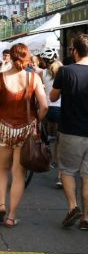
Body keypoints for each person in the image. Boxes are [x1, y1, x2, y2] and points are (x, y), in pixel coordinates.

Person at [0, 43, 48, 228]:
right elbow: (44, 106)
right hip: (25, 130)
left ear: (11, 58)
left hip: (4, 129)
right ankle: (11, 217)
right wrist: (36, 121)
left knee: (2, 169)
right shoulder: (33, 78)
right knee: (18, 173)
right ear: (27, 57)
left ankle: (1, 204)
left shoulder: (0, 78)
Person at [50, 35, 88, 230]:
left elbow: (53, 96)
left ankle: (73, 206)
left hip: (71, 129)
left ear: (74, 51)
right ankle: (86, 218)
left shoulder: (65, 71)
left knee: (67, 170)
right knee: (87, 176)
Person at [39, 48, 63, 188]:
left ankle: (46, 149)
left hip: (47, 109)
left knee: (46, 135)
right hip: (62, 110)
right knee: (60, 143)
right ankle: (60, 176)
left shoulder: (42, 73)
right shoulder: (65, 71)